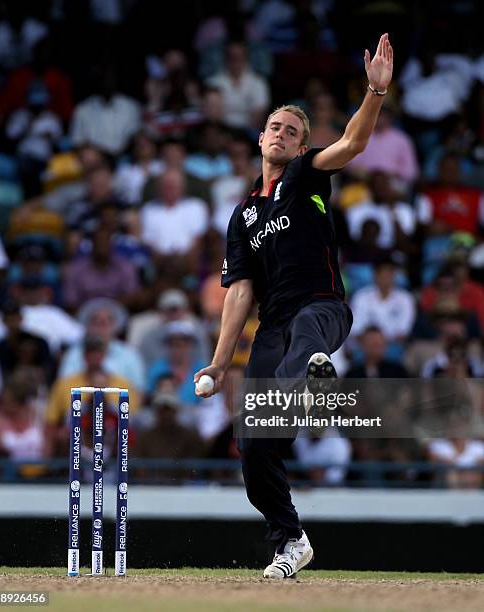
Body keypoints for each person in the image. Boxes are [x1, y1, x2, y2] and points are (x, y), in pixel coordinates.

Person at [194, 34, 393, 579]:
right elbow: (239, 293)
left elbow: (351, 145)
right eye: (275, 127)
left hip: (323, 308)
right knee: (251, 444)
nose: (282, 135)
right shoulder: (242, 217)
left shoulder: (306, 175)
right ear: (260, 139)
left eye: (293, 131)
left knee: (307, 341)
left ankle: (313, 378)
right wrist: (217, 359)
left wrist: (373, 93)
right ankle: (291, 538)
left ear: (301, 145)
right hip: (273, 328)